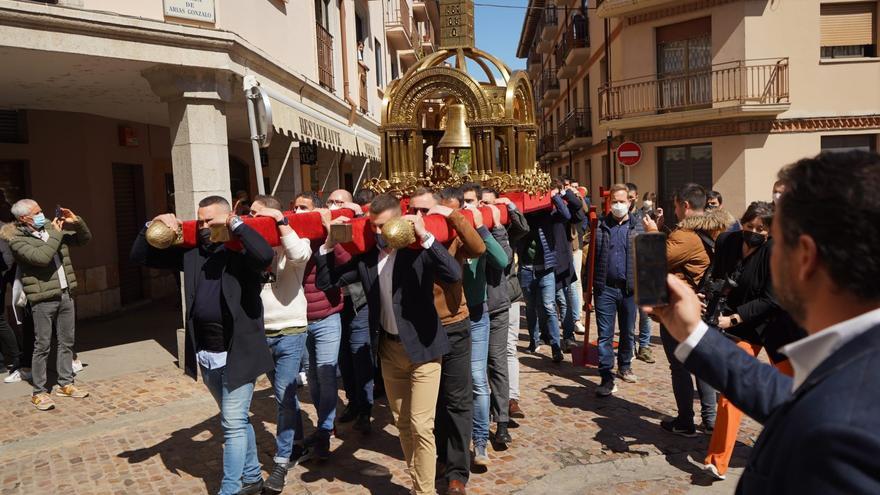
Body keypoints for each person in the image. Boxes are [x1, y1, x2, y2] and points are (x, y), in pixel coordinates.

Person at [646, 150, 880, 494]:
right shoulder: (854, 363)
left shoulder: (842, 439)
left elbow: (821, 415)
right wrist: (693, 334)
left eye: (776, 239)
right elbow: (791, 401)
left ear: (804, 257)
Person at [316, 194, 461, 495]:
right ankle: (420, 483)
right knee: (404, 425)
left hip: (424, 350)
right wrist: (329, 245)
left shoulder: (417, 252)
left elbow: (453, 273)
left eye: (384, 226)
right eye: (374, 227)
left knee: (422, 425)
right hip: (389, 352)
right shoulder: (368, 260)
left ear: (399, 219)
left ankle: (425, 492)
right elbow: (326, 282)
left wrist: (425, 236)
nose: (379, 233)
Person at [130, 196, 274, 495]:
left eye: (212, 220)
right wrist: (152, 225)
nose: (205, 226)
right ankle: (252, 479)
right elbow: (141, 257)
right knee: (236, 421)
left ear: (227, 217)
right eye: (201, 220)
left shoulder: (239, 252)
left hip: (239, 353)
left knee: (232, 425)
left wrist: (236, 225)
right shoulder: (193, 253)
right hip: (207, 354)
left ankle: (230, 489)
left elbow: (263, 257)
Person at [699, 201, 804, 480]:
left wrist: (732, 320)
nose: (753, 232)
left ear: (770, 232)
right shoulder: (728, 241)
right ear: (741, 223)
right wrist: (706, 295)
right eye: (749, 226)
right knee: (731, 392)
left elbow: (772, 300)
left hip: (777, 327)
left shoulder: (777, 253)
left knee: (793, 393)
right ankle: (716, 461)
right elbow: (717, 275)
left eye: (760, 229)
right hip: (743, 329)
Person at [408, 186, 484, 494]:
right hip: (420, 328)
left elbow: (478, 248)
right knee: (431, 401)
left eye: (425, 210)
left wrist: (451, 216)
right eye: (414, 210)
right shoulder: (406, 236)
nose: (418, 216)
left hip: (453, 323)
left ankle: (456, 471)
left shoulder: (452, 233)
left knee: (457, 399)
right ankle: (438, 456)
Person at [644, 183, 732, 436]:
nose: (674, 210)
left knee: (680, 366)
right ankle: (710, 418)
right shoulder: (713, 229)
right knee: (701, 363)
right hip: (700, 307)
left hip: (681, 308)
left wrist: (651, 234)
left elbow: (652, 259)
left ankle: (686, 421)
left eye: (675, 205)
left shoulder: (685, 235)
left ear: (684, 205)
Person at [247, 195, 313, 494]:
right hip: (261, 332)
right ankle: (297, 439)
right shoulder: (250, 246)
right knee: (283, 394)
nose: (254, 219)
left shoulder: (295, 239)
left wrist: (281, 222)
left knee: (283, 396)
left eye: (259, 215)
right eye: (250, 214)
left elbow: (300, 256)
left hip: (290, 331)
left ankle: (282, 459)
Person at [2, 200, 91, 410]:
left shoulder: (51, 230)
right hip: (42, 299)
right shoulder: (16, 240)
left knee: (67, 341)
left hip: (65, 293)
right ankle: (39, 392)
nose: (43, 214)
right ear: (24, 218)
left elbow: (83, 239)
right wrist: (57, 234)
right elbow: (42, 257)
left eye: (42, 210)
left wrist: (76, 222)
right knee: (42, 346)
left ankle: (65, 384)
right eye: (38, 212)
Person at [458, 184, 509, 467]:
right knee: (455, 383)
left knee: (478, 379)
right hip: (450, 317)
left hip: (477, 315)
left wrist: (483, 229)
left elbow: (501, 260)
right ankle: (456, 438)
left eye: (470, 203)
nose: (465, 208)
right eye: (461, 203)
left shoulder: (479, 231)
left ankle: (479, 441)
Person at [292, 191, 344, 460]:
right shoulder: (290, 238)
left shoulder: (329, 233)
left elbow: (346, 262)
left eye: (305, 207)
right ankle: (326, 422)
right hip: (301, 320)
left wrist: (330, 234)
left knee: (326, 374)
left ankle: (324, 431)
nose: (299, 211)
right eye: (296, 207)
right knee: (311, 375)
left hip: (327, 317)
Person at [588, 184, 644, 397]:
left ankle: (625, 365)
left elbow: (646, 260)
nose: (618, 205)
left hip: (630, 290)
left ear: (630, 202)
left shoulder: (638, 227)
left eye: (622, 201)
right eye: (615, 201)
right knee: (605, 335)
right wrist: (588, 290)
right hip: (605, 289)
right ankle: (606, 377)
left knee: (628, 332)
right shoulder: (600, 226)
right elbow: (590, 258)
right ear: (609, 203)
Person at [480, 188, 530, 427]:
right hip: (484, 299)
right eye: (481, 203)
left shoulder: (506, 229)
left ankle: (511, 398)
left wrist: (507, 207)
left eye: (489, 204)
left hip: (507, 296)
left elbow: (523, 228)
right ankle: (490, 399)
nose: (485, 208)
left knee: (506, 349)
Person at [325, 189, 374, 434]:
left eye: (339, 202)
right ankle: (354, 403)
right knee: (343, 355)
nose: (334, 206)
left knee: (359, 353)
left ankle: (366, 408)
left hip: (357, 301)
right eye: (330, 202)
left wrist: (350, 223)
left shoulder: (357, 225)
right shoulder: (324, 227)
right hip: (334, 303)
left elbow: (350, 259)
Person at [518, 183, 580, 363]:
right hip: (527, 268)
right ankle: (533, 341)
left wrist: (554, 197)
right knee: (530, 307)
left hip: (546, 269)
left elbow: (567, 214)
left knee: (549, 306)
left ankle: (555, 347)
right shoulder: (523, 216)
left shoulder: (549, 215)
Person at [626, 183, 655, 364]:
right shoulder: (618, 218)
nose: (627, 202)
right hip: (627, 273)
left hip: (643, 270)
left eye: (630, 198)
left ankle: (644, 346)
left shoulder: (644, 217)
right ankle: (629, 347)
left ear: (635, 197)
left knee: (645, 314)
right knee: (629, 315)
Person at [0, 221, 22, 383]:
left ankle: (17, 358)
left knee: (0, 321)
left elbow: (8, 257)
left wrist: (2, 274)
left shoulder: (2, 228)